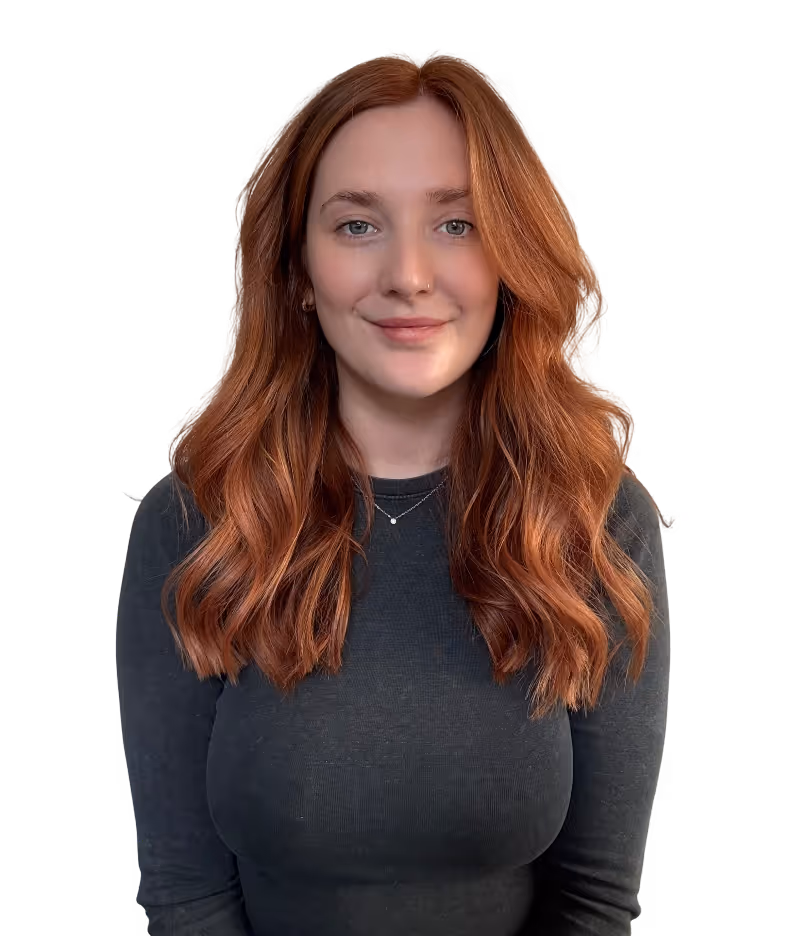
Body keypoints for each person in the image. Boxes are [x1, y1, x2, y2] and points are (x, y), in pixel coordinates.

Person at [117, 46, 673, 936]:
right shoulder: (197, 521)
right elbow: (182, 891)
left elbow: (597, 901)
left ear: (511, 259)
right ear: (297, 272)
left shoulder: (600, 522)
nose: (409, 275)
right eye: (356, 226)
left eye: (457, 225)